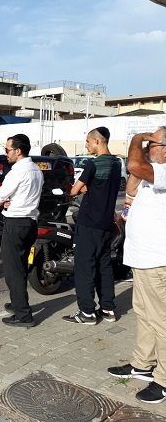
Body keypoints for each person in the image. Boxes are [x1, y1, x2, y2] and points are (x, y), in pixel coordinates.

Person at [107, 127, 166, 404]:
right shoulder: (150, 172)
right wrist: (143, 152)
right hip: (143, 259)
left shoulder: (163, 172)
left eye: (152, 143)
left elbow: (132, 166)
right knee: (144, 314)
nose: (146, 146)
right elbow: (131, 186)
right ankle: (143, 363)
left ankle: (163, 379)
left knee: (161, 320)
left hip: (157, 261)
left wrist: (134, 140)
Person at [62, 127, 121, 325]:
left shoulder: (92, 164)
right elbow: (101, 187)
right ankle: (108, 309)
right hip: (106, 223)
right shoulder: (116, 163)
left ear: (97, 141)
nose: (86, 145)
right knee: (104, 266)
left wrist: (77, 188)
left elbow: (73, 190)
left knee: (85, 268)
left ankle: (87, 312)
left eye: (88, 141)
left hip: (89, 223)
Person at [0, 134, 44, 327]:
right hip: (30, 222)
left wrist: (3, 201)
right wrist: (10, 201)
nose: (5, 153)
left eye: (7, 150)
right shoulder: (37, 170)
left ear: (18, 151)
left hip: (15, 223)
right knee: (20, 266)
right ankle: (17, 303)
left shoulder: (17, 172)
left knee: (13, 271)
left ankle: (23, 315)